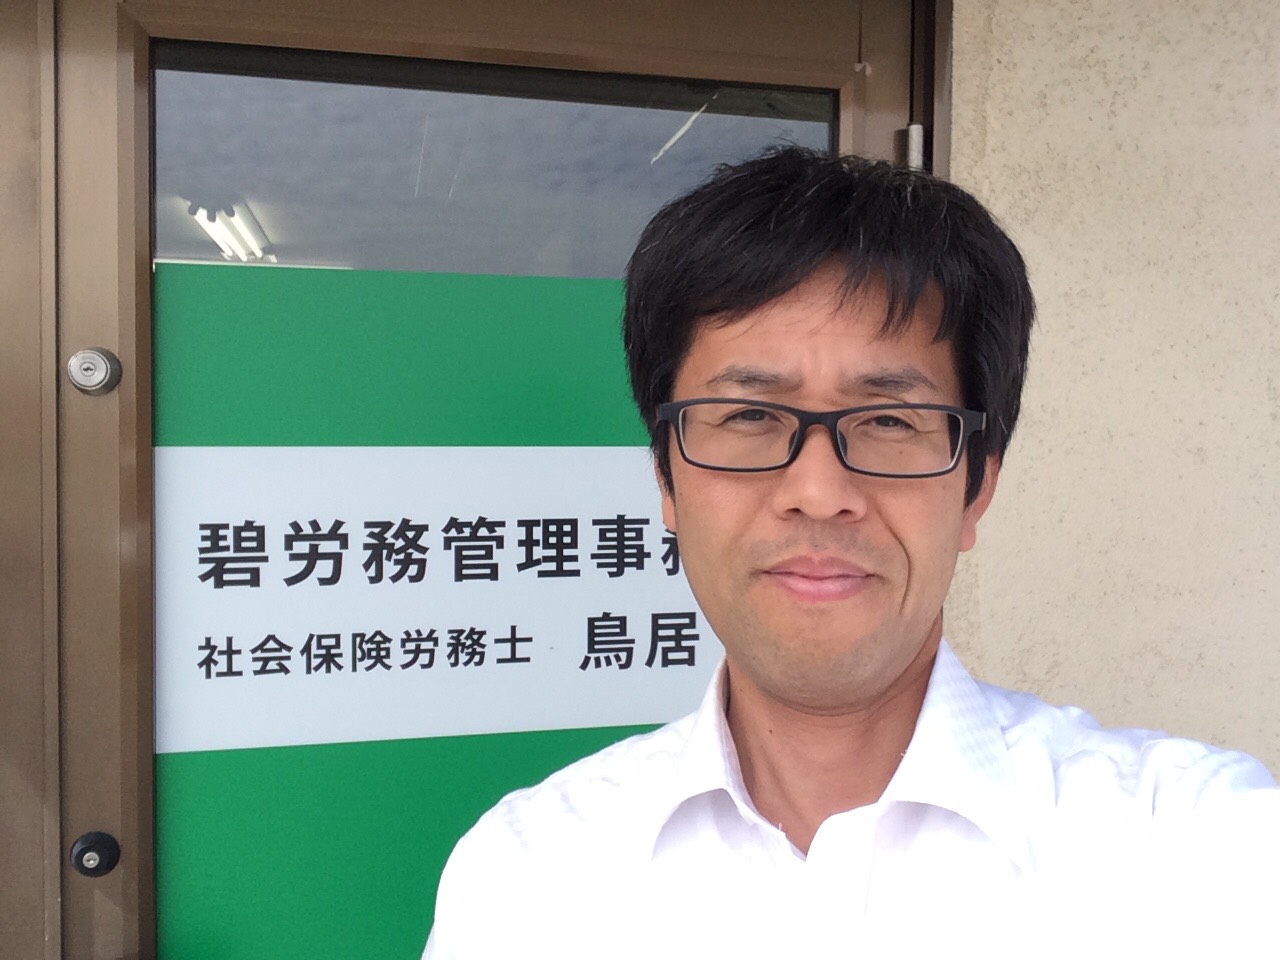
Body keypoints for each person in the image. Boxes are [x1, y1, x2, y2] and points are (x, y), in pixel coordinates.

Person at [423, 148, 1277, 958]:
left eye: (890, 420)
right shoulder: (530, 874)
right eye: (750, 416)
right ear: (666, 481)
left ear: (977, 486)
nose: (819, 490)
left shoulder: (1198, 850)